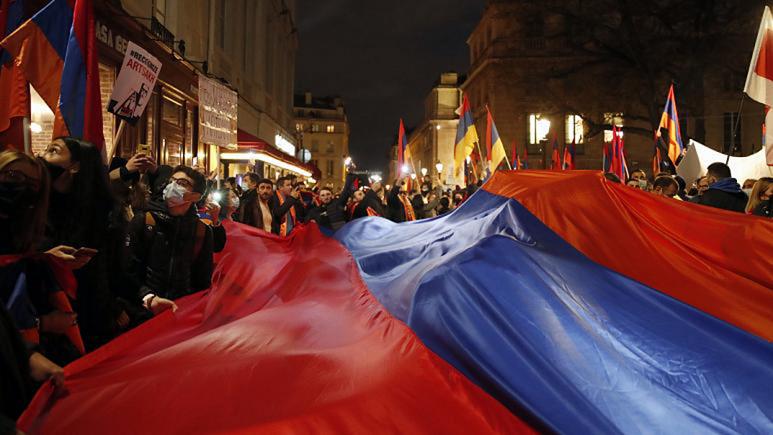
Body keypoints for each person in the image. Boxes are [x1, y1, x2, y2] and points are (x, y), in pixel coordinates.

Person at [38, 137, 124, 352]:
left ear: (75, 166)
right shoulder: (33, 204)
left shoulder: (103, 213)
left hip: (88, 312)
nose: (42, 156)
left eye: (53, 151)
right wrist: (46, 257)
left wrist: (115, 308)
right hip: (41, 306)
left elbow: (112, 269)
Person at [128, 166, 214, 315]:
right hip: (145, 310)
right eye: (171, 181)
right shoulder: (145, 220)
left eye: (182, 183)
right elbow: (127, 268)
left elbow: (202, 278)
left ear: (195, 196)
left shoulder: (201, 230)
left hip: (181, 312)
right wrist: (147, 297)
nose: (173, 186)